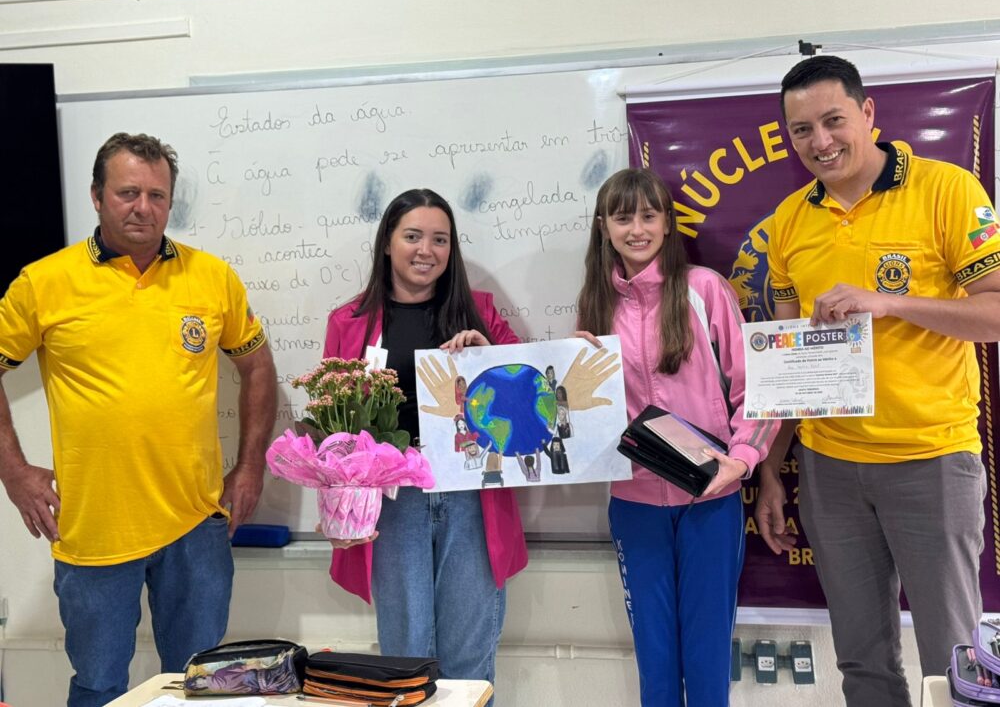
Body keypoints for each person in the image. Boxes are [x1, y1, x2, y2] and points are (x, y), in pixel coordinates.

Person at [755, 55, 1000, 706]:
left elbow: (996, 313)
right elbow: (790, 363)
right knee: (863, 663)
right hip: (831, 467)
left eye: (833, 121)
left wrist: (888, 302)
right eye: (801, 130)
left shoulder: (946, 189)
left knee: (954, 668)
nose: (820, 141)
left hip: (932, 460)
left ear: (867, 114)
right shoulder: (788, 223)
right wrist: (774, 468)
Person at [0, 132, 277, 707]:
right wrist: (15, 472)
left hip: (197, 524)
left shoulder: (211, 278)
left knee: (201, 686)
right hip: (95, 533)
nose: (143, 207)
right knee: (100, 686)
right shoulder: (43, 283)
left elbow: (258, 368)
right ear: (97, 196)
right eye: (128, 192)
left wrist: (250, 468)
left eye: (157, 194)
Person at [576, 168, 777, 706]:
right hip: (635, 502)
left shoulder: (703, 289)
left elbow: (754, 385)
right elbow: (584, 411)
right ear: (604, 227)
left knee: (707, 653)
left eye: (648, 215)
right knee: (655, 654)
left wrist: (741, 459)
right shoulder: (595, 307)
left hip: (710, 500)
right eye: (623, 218)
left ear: (667, 222)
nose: (636, 229)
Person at [322, 188, 527, 698]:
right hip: (394, 505)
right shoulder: (347, 322)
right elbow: (332, 429)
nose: (425, 250)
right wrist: (338, 510)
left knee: (468, 658)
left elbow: (533, 385)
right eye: (412, 236)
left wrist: (489, 354)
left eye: (440, 239)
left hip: (469, 498)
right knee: (405, 657)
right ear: (387, 243)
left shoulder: (478, 311)